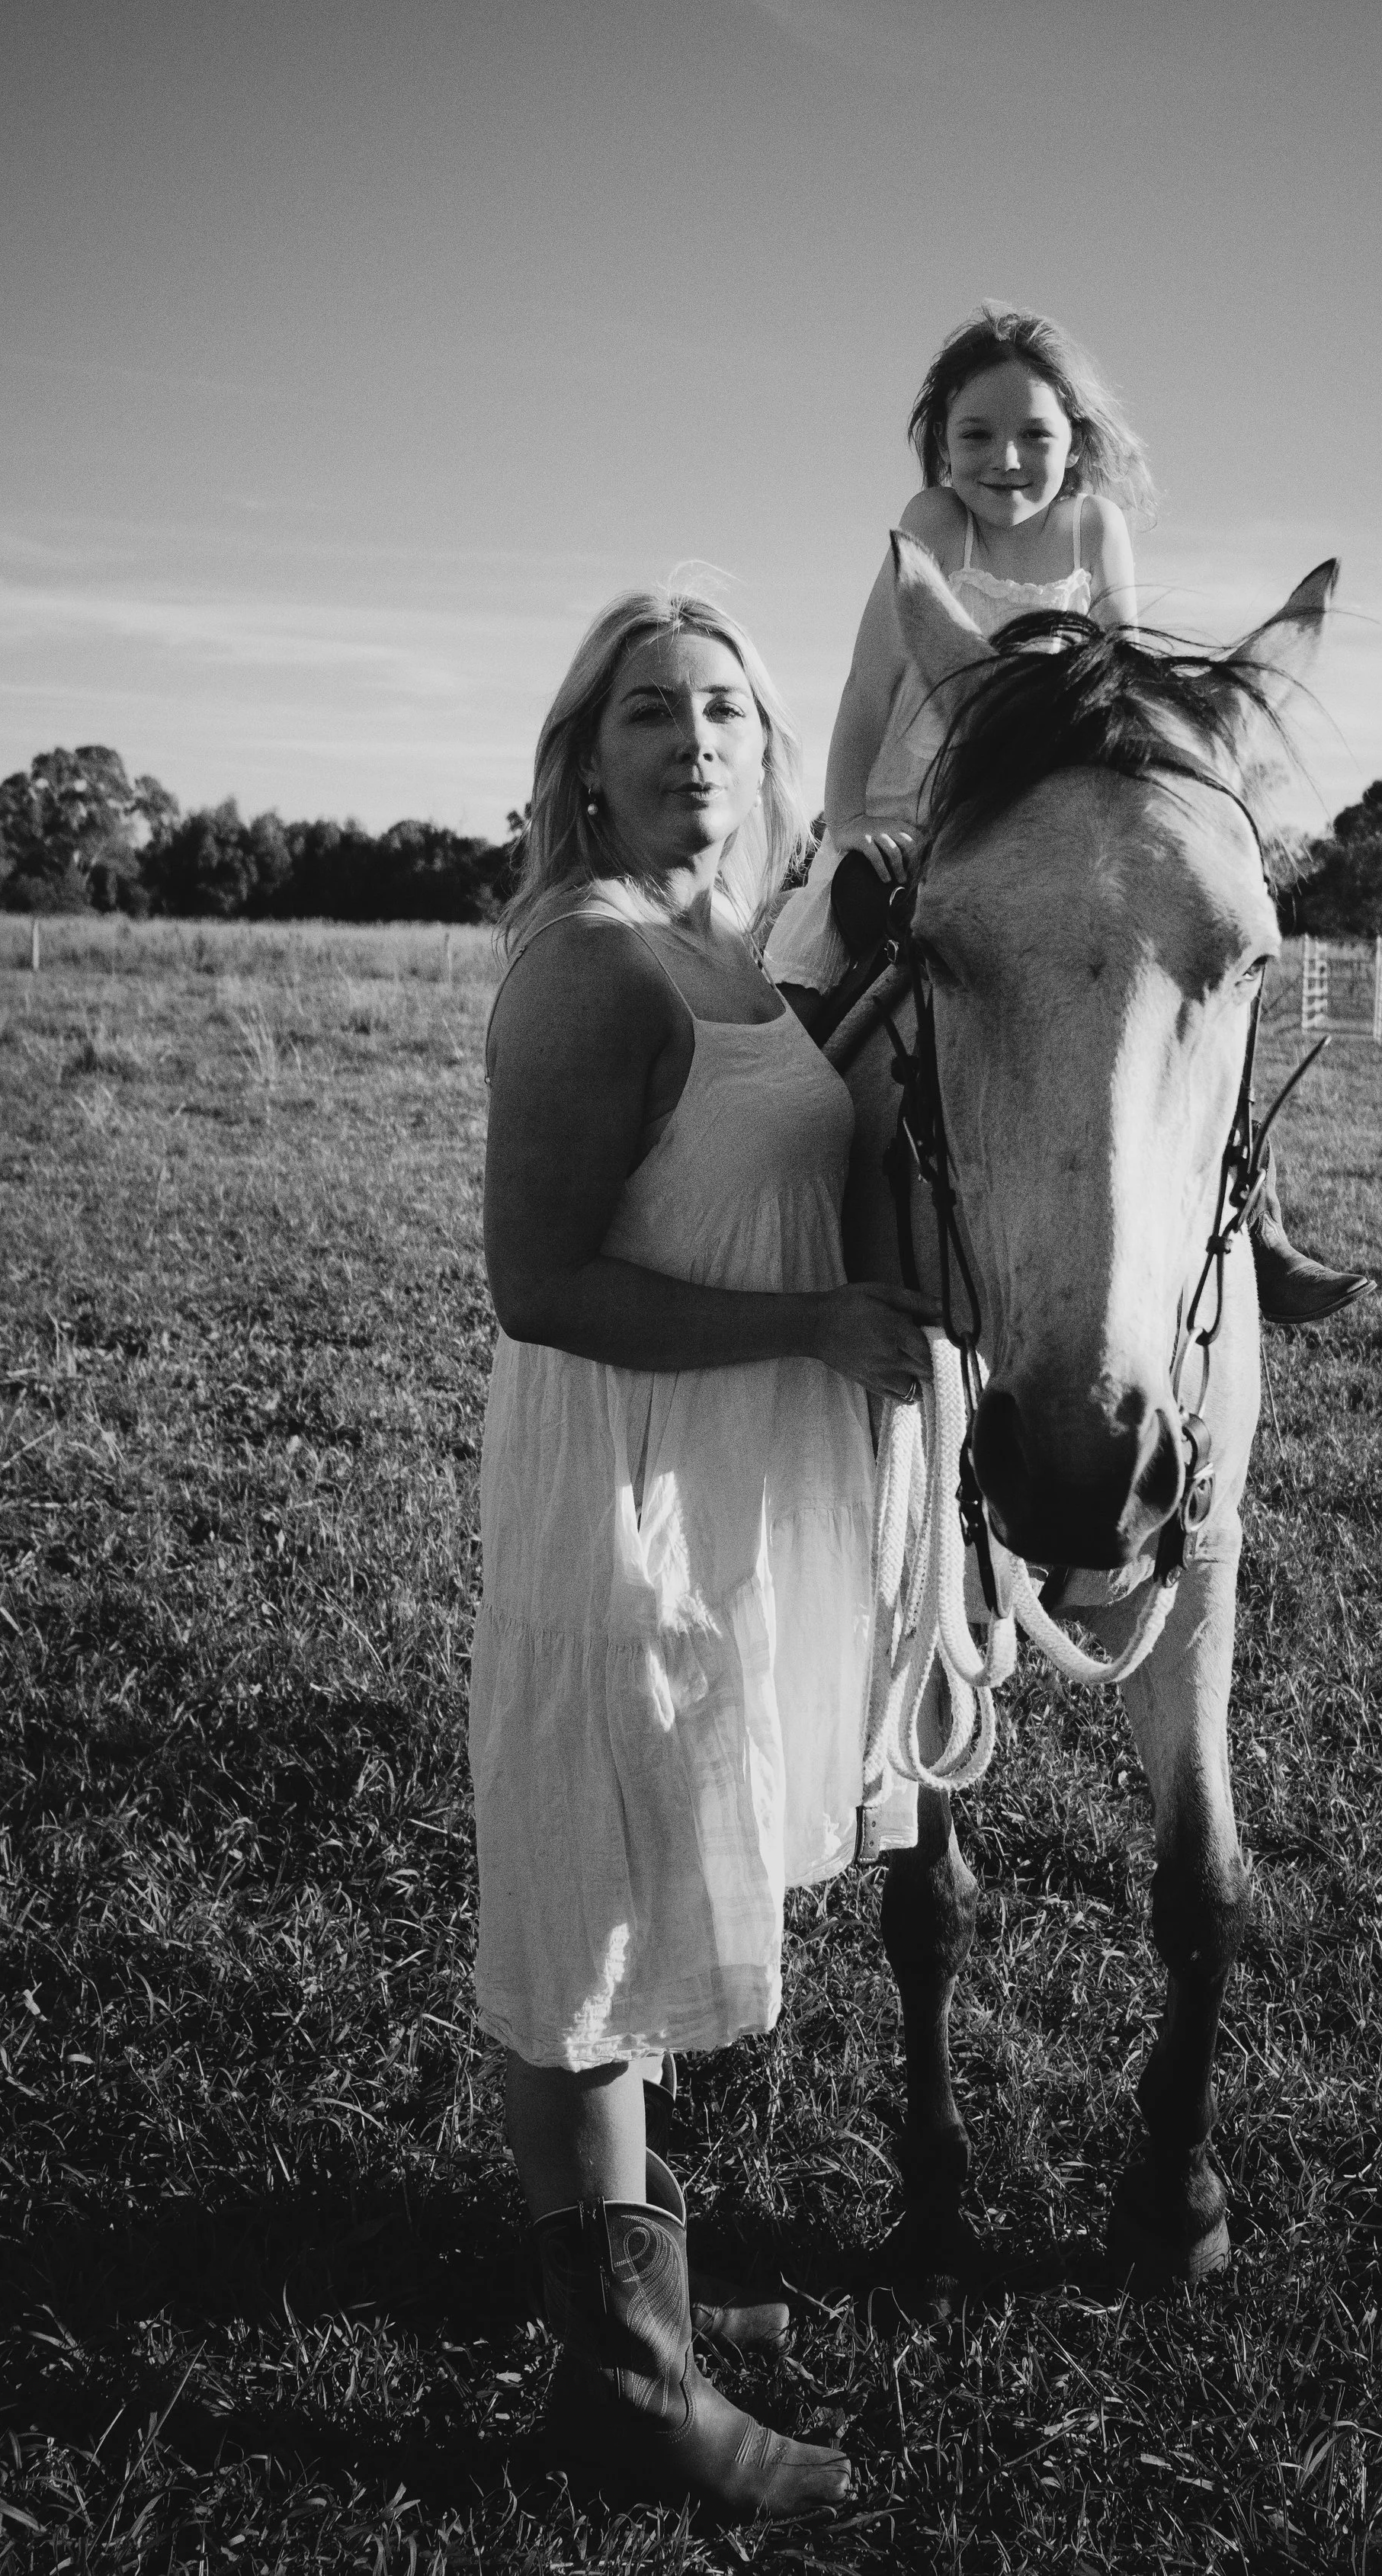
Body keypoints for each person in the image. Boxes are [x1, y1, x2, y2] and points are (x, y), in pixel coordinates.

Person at [475, 588, 931, 2517]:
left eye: (729, 713)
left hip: (726, 1488)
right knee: (584, 1910)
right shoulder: (591, 967)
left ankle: (625, 2278)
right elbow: (538, 1283)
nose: (697, 744)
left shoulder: (728, 952)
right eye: (650, 713)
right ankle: (627, 2389)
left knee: (651, 1872)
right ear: (583, 757)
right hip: (629, 1490)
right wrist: (814, 1330)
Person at [768, 301, 1373, 1325]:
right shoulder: (929, 527)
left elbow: (1120, 685)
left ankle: (1255, 1215)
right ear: (940, 444)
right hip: (906, 810)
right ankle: (769, 1213)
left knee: (1199, 984)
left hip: (1042, 805)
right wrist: (842, 823)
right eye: (976, 435)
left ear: (1076, 441)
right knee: (802, 996)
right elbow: (871, 691)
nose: (1006, 459)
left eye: (1035, 435)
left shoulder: (1097, 527)